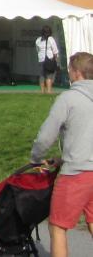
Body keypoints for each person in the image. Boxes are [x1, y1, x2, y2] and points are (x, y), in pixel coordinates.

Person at [30, 52, 93, 257]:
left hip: (76, 174)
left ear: (76, 72)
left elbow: (46, 136)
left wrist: (36, 158)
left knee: (58, 226)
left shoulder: (68, 99)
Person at [36, 25, 60, 94]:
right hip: (49, 59)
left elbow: (37, 50)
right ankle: (49, 91)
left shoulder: (38, 40)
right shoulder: (51, 39)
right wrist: (56, 60)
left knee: (42, 75)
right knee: (49, 76)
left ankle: (42, 91)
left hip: (41, 60)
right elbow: (55, 51)